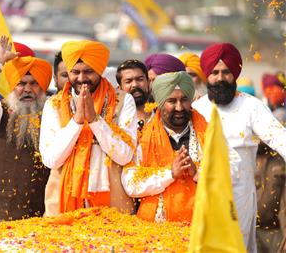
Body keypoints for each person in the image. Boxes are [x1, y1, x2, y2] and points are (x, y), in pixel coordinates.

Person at [192, 42, 286, 253]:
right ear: (207, 75)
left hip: (239, 197)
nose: (220, 78)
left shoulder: (251, 106)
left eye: (226, 72)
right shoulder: (196, 109)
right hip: (202, 195)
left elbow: (280, 138)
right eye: (214, 72)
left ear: (234, 74)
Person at [40, 40, 138, 216]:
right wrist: (77, 121)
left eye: (88, 72)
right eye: (75, 72)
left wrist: (95, 120)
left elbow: (124, 155)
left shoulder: (123, 101)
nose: (81, 78)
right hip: (63, 203)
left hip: (112, 202)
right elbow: (51, 160)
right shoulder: (53, 105)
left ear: (100, 70)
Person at [0, 36, 52, 227]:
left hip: (42, 228)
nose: (27, 89)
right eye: (21, 83)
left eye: (34, 83)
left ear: (43, 88)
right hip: (0, 226)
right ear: (12, 87)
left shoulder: (53, 116)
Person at [122, 71, 207, 222]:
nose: (179, 107)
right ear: (161, 104)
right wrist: (170, 174)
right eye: (172, 101)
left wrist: (197, 174)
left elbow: (227, 178)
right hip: (156, 229)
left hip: (201, 226)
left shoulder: (208, 134)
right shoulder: (142, 137)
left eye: (184, 100)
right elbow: (131, 184)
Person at [116, 59, 151, 126]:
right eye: (128, 81)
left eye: (140, 79)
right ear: (119, 88)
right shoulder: (114, 120)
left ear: (148, 82)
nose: (135, 85)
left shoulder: (162, 116)